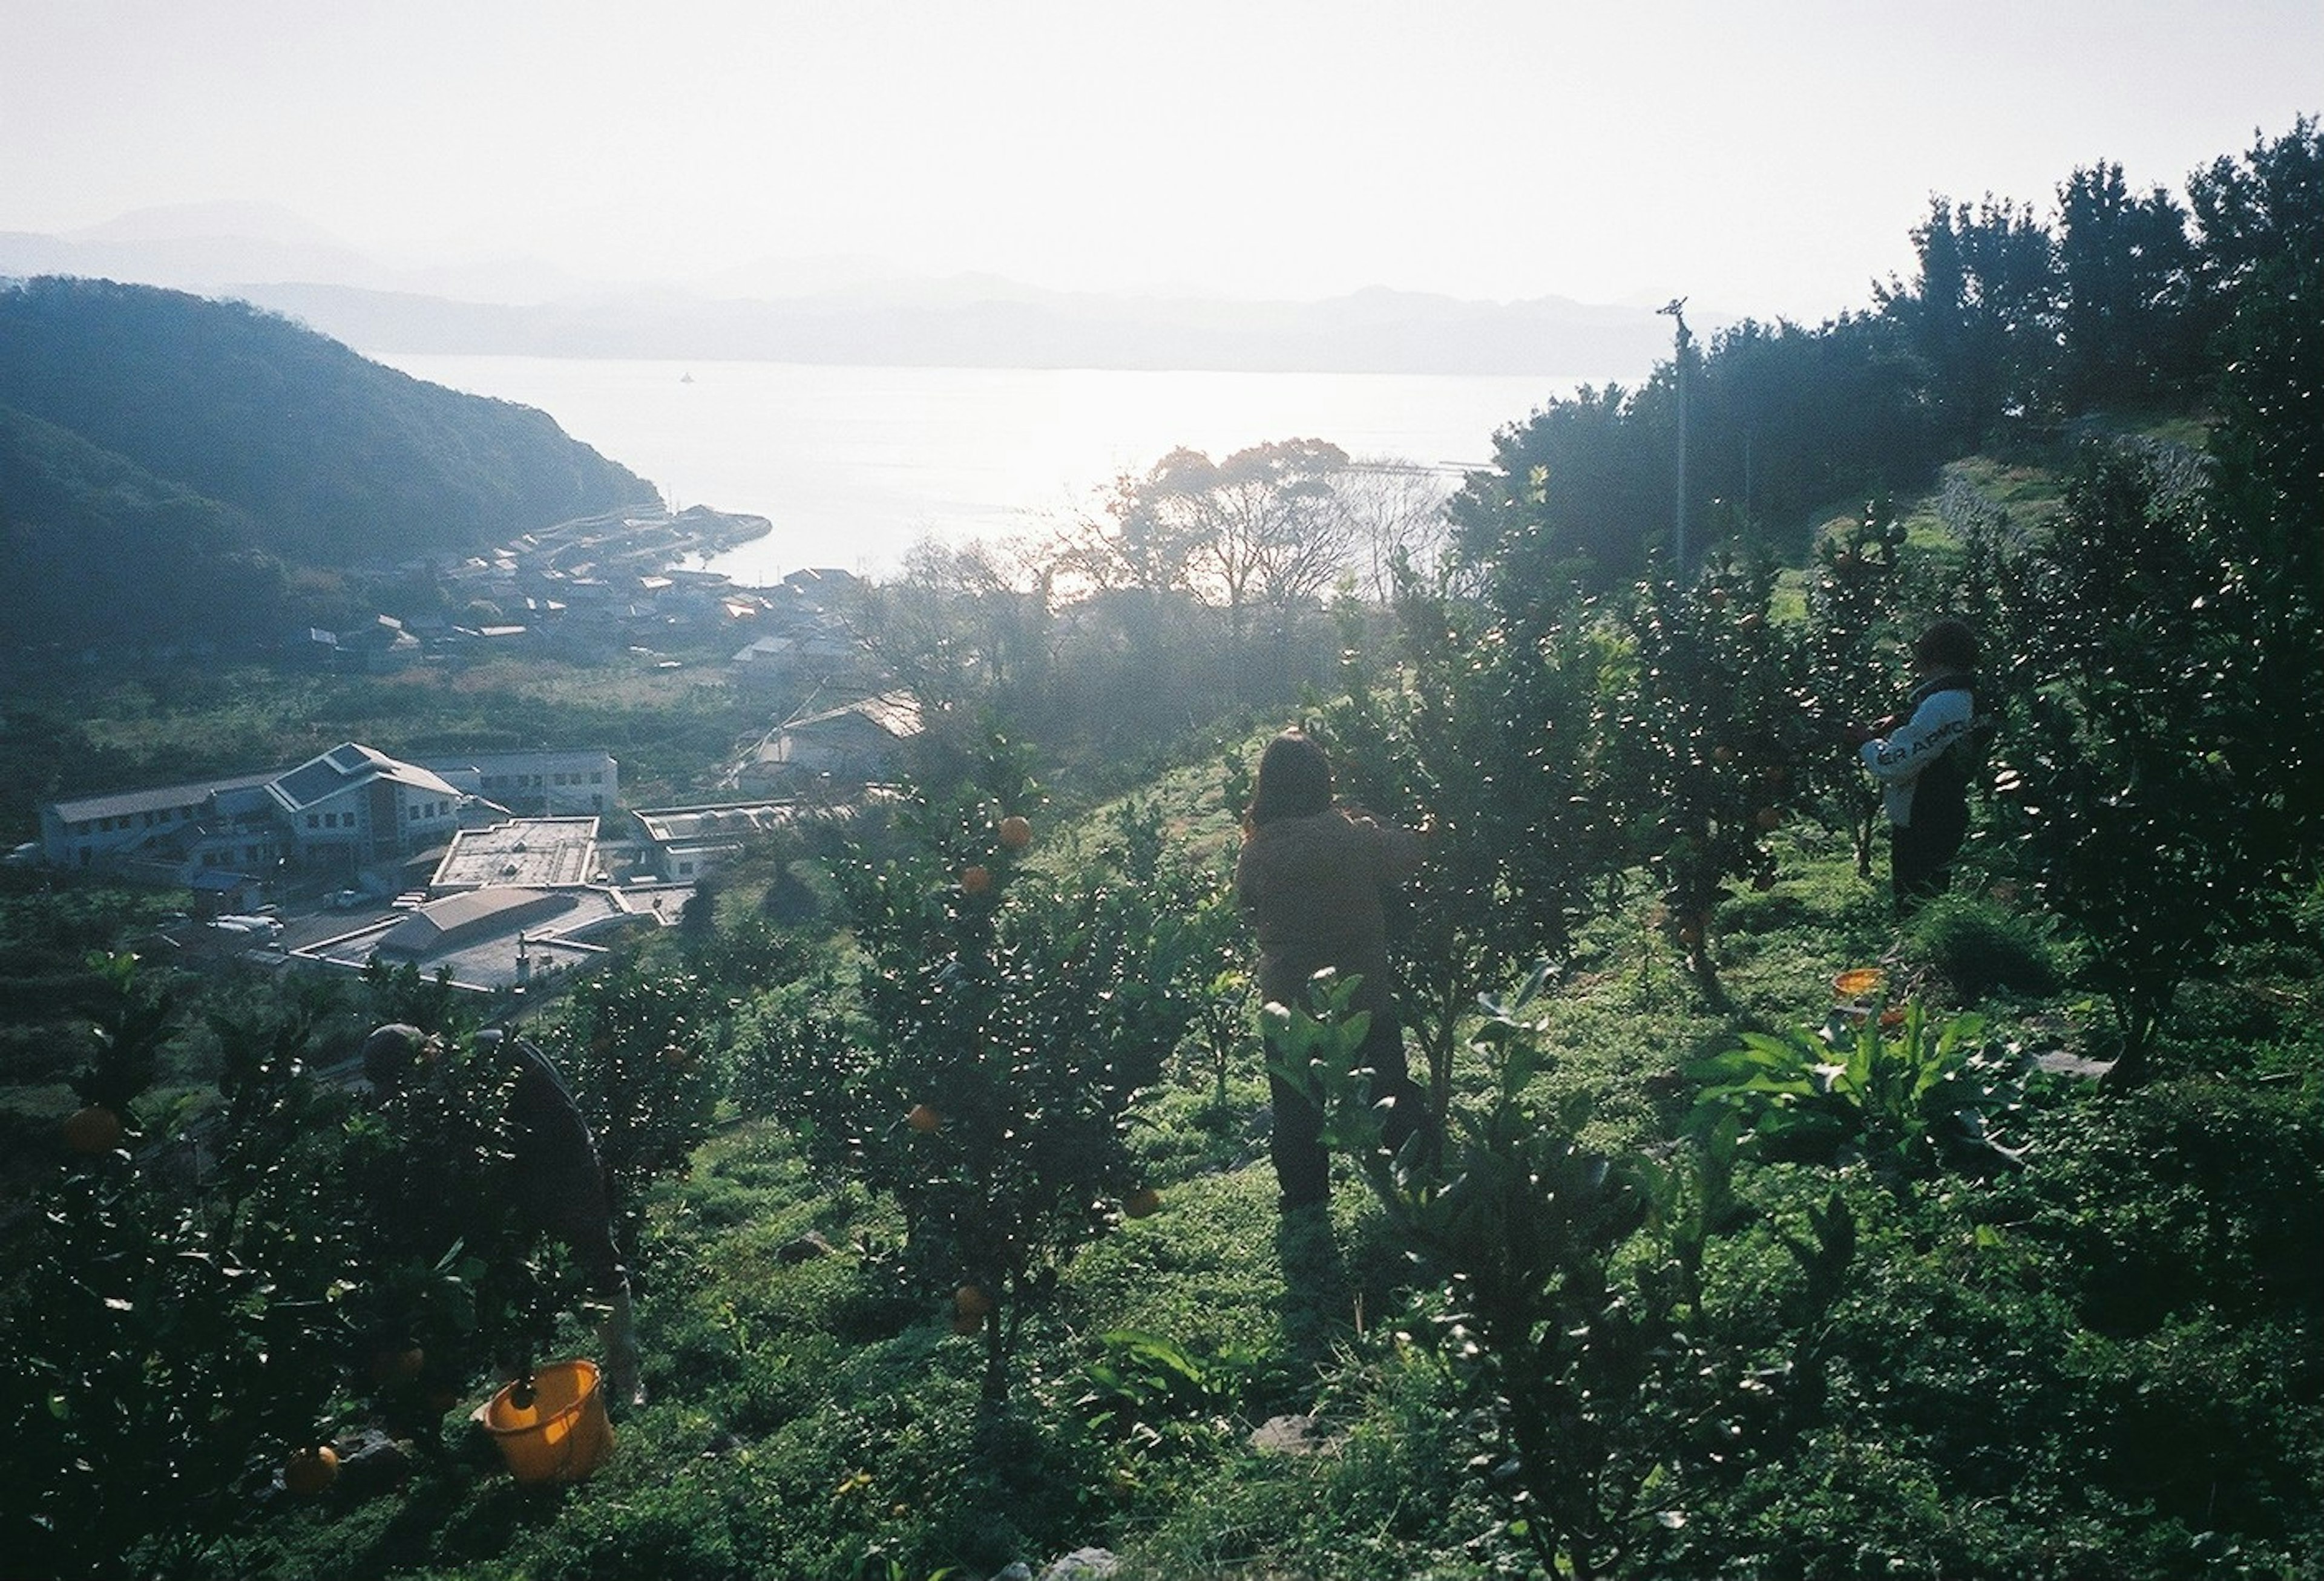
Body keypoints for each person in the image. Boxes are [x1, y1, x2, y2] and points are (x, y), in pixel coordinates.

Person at [360, 1023, 643, 1408]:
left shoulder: (494, 1053)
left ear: (426, 1053)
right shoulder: (443, 1087)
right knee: (506, 1281)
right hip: (514, 1186)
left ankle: (627, 1379)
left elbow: (561, 1122)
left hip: (564, 1168)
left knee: (598, 1264)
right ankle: (508, 1387)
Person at [1233, 730, 1428, 1211]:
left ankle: (1305, 1202)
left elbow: (1245, 904)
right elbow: (1411, 854)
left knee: (1295, 1110)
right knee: (1389, 1090)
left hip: (1288, 1003)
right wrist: (1411, 821)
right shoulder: (1352, 835)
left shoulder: (1257, 851)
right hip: (1361, 993)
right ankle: (1419, 1181)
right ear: (1322, 780)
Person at [1843, 619, 1993, 909]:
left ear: (1932, 659)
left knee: (1915, 902)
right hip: (1948, 810)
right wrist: (1902, 720)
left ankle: (1920, 952)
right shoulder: (1969, 696)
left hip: (1923, 816)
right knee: (1933, 895)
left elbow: (1894, 766)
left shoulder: (1941, 705)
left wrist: (1866, 742)